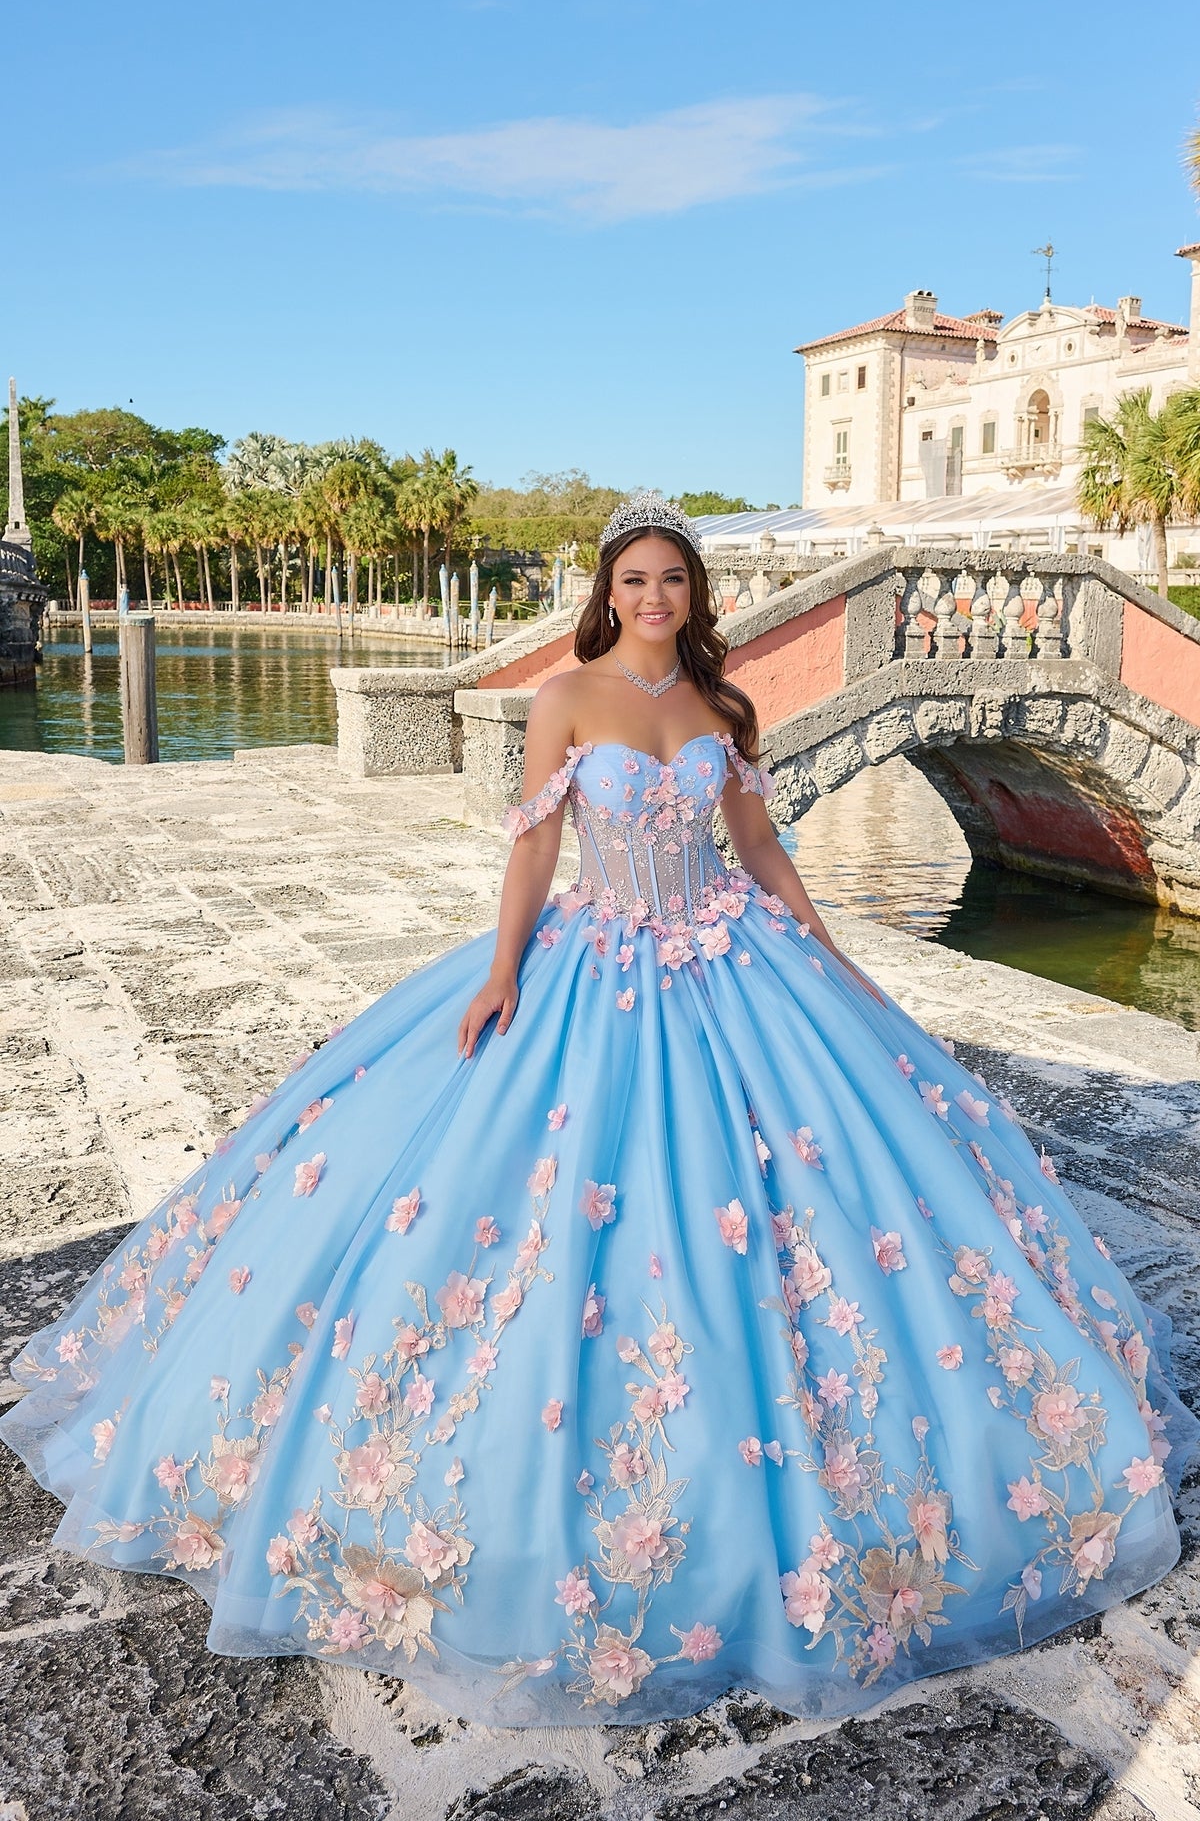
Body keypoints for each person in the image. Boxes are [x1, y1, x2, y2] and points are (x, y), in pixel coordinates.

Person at [2, 492, 1194, 1731]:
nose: (652, 598)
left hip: (734, 961)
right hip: (595, 962)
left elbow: (758, 845)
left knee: (821, 1210)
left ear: (695, 593)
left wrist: (830, 951)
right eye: (633, 580)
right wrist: (505, 967)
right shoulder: (567, 697)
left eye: (671, 579)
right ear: (607, 591)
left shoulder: (724, 706)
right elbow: (531, 848)